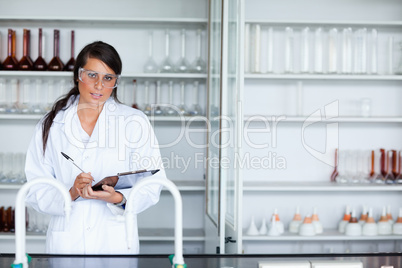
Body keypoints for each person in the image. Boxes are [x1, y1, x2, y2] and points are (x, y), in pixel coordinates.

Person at [25, 41, 166, 254]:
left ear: (115, 82)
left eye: (108, 78)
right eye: (92, 75)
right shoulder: (52, 124)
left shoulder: (135, 121)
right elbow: (36, 188)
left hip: (115, 241)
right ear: (78, 76)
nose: (99, 85)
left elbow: (153, 182)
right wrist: (71, 192)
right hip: (67, 241)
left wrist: (118, 198)